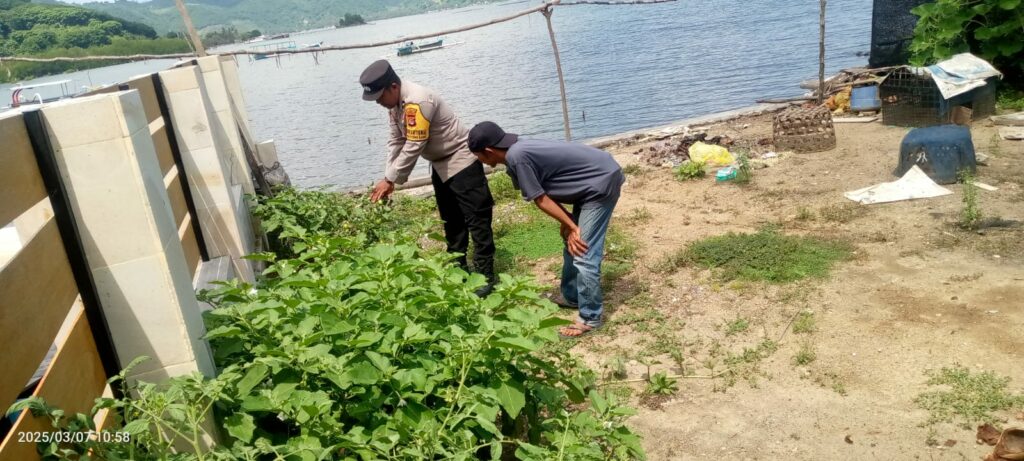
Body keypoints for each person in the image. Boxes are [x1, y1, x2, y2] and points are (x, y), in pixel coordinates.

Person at [467, 121, 624, 338]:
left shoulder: (517, 157)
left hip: (600, 182)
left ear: (488, 151)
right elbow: (546, 191)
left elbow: (540, 199)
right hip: (588, 184)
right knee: (572, 241)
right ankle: (571, 297)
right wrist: (567, 222)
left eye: (478, 156)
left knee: (584, 251)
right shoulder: (516, 151)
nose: (479, 160)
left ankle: (590, 318)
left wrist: (572, 225)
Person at [359, 60, 496, 295]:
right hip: (439, 165)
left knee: (476, 219)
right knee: (451, 221)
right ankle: (458, 270)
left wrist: (391, 180)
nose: (379, 103)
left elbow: (415, 143)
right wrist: (387, 175)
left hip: (460, 160)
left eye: (380, 96)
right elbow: (396, 141)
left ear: (393, 86)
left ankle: (485, 276)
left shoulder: (417, 101)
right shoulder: (396, 106)